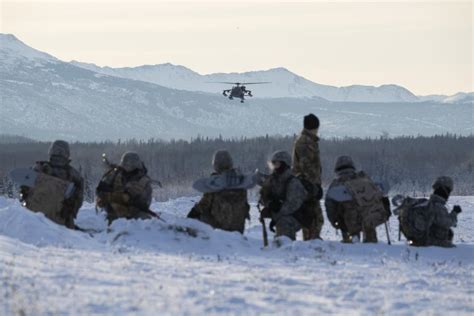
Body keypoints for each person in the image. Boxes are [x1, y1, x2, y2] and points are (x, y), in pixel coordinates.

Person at [20, 140, 84, 229]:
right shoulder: (75, 176)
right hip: (62, 223)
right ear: (67, 153)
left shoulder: (38, 169)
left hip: (32, 220)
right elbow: (78, 202)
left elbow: (24, 191)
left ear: (51, 151)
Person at [325, 156, 388, 243]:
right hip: (369, 218)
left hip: (349, 222)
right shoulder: (363, 179)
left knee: (351, 244)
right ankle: (371, 242)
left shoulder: (337, 184)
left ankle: (351, 241)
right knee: (370, 239)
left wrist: (335, 223)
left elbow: (330, 206)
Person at [188, 150, 250, 233]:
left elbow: (204, 204)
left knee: (200, 214)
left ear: (216, 165)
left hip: (219, 228)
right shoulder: (240, 181)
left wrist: (192, 214)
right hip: (238, 228)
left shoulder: (215, 182)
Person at [259, 151, 307, 241]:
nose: (274, 167)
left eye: (277, 164)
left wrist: (277, 209)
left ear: (284, 164)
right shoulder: (273, 180)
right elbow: (264, 197)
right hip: (280, 216)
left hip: (294, 217)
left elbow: (293, 205)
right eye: (273, 164)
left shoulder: (293, 182)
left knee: (284, 223)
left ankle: (285, 249)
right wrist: (268, 204)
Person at [96, 151, 153, 225]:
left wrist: (114, 196)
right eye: (126, 164)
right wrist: (105, 197)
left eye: (129, 164)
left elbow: (141, 200)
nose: (127, 167)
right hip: (116, 213)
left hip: (136, 215)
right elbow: (100, 191)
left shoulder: (143, 180)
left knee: (145, 224)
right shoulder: (116, 175)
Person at [292, 113, 324, 240]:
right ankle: (311, 240)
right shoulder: (305, 143)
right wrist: (313, 187)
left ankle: (312, 238)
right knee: (312, 217)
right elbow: (306, 166)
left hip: (309, 185)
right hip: (307, 186)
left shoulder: (307, 141)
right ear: (315, 127)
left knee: (315, 217)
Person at [425, 177, 460, 247]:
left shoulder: (428, 204)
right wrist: (454, 212)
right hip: (435, 242)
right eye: (449, 191)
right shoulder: (438, 207)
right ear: (444, 191)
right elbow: (448, 223)